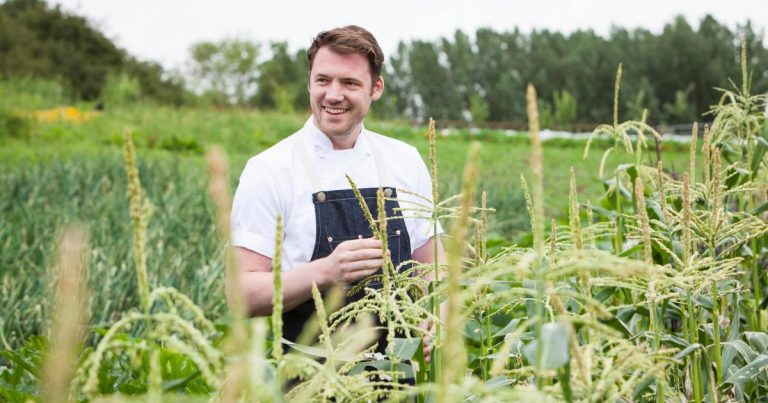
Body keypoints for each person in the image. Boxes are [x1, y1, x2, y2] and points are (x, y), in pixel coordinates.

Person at [229, 25, 445, 357]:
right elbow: (241, 295)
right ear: (310, 82)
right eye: (323, 80)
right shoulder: (269, 170)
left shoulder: (404, 160)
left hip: (399, 373)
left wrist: (436, 317)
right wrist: (326, 271)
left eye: (350, 83)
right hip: (308, 376)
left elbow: (431, 267)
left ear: (376, 88)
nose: (333, 94)